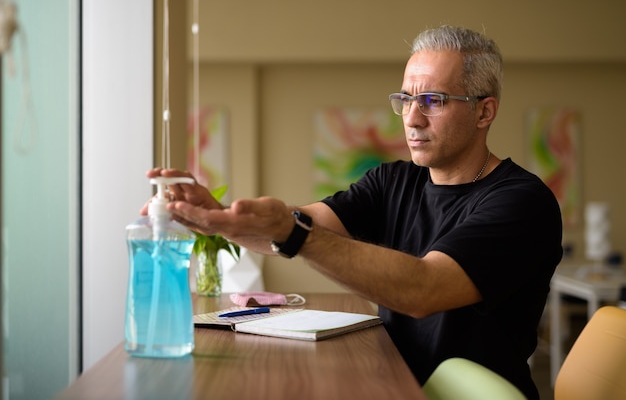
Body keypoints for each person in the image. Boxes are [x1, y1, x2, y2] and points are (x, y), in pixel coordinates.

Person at [142, 25, 562, 399]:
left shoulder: (522, 202)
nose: (412, 118)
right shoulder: (394, 181)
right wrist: (219, 219)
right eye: (406, 99)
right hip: (393, 381)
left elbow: (424, 290)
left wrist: (292, 234)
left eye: (433, 100)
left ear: (484, 111)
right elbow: (296, 226)